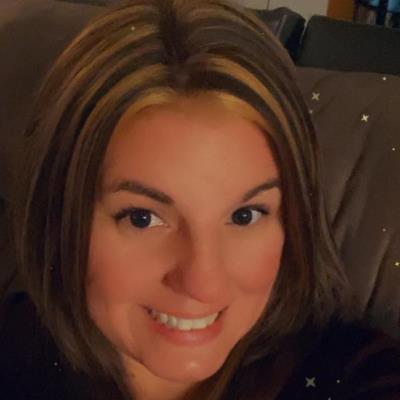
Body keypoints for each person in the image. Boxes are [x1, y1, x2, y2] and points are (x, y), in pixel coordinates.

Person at [1, 0, 399, 399]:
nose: (203, 283)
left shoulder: (356, 376)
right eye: (142, 218)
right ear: (59, 214)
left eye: (245, 215)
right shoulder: (17, 350)